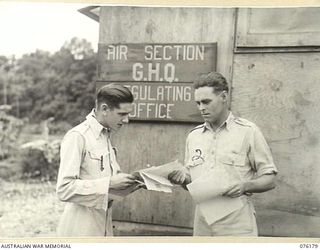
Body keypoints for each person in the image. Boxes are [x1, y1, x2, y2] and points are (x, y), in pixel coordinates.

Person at [168, 72, 278, 236]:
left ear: (224, 97)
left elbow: (270, 179)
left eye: (206, 102)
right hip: (203, 223)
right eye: (198, 103)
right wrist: (182, 180)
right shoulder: (194, 136)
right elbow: (191, 184)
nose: (201, 108)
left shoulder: (248, 131)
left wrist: (245, 186)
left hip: (237, 223)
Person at [56, 83, 141, 237]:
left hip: (104, 227)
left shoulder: (106, 135)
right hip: (80, 230)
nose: (127, 120)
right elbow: (64, 189)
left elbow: (103, 185)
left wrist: (131, 184)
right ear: (104, 109)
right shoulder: (78, 137)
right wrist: (109, 183)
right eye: (122, 114)